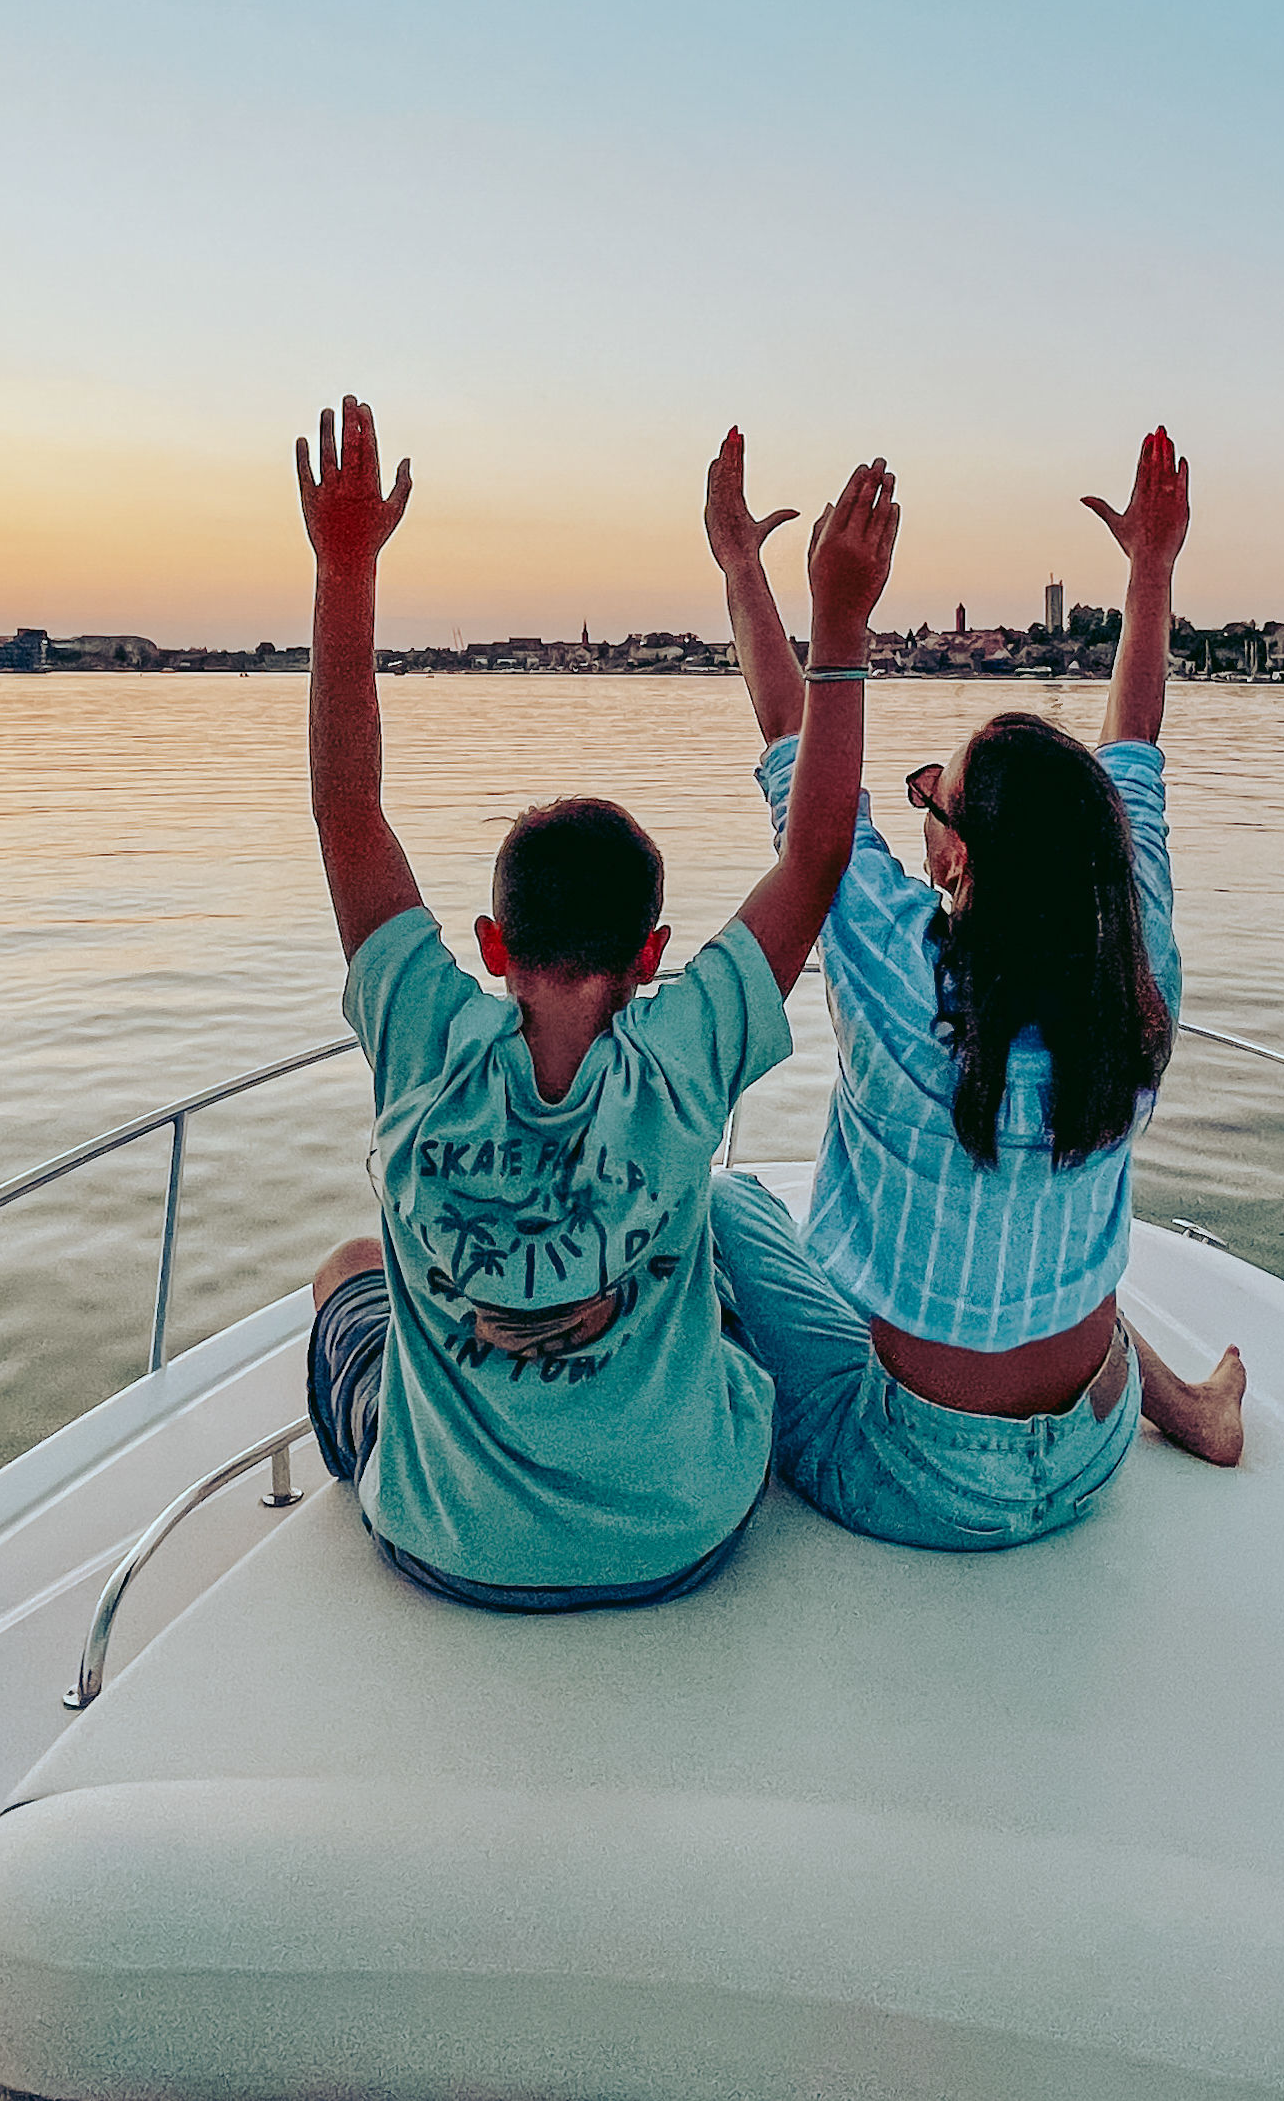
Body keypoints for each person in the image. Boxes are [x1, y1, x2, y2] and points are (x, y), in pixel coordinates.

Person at [294, 394, 900, 1610]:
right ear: (655, 953)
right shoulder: (683, 1056)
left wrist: (345, 566)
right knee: (713, 1256)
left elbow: (347, 811)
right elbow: (819, 854)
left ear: (487, 942)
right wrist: (837, 627)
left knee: (345, 1267)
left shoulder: (423, 1030)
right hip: (683, 1536)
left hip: (442, 1543)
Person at [701, 421, 1243, 1557]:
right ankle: (1184, 1406)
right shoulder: (1140, 974)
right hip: (1090, 1444)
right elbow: (1133, 745)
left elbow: (800, 759)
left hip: (916, 1473)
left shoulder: (900, 981)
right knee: (1043, 1224)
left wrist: (771, 583)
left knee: (725, 1206)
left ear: (958, 859)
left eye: (929, 803)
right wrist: (1153, 571)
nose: (918, 819)